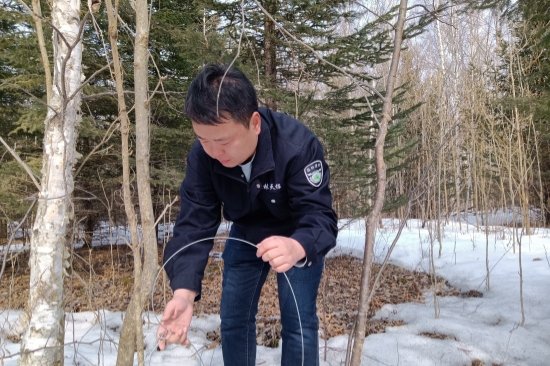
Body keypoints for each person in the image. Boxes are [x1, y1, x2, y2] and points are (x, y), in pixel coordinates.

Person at [157, 64, 338, 366]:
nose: (214, 152)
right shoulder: (203, 157)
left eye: (224, 141)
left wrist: (297, 247)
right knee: (233, 317)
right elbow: (194, 223)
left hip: (297, 236)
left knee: (299, 322)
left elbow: (319, 216)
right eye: (203, 140)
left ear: (254, 123)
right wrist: (184, 293)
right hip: (246, 233)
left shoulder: (296, 146)